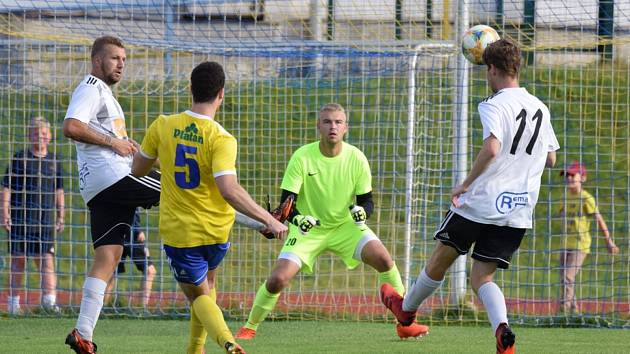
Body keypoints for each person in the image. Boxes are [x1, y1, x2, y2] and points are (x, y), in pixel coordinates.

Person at [380, 39, 560, 354]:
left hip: (481, 202)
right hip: (517, 209)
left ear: (491, 69)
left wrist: (465, 183)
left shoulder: (492, 104)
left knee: (441, 257)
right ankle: (502, 331)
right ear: (517, 67)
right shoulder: (540, 108)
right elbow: (550, 158)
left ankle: (406, 309)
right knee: (482, 277)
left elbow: (492, 147)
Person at [235, 103, 430, 341]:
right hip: (308, 230)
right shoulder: (302, 156)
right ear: (319, 126)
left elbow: (367, 202)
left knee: (384, 259)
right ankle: (249, 327)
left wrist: (362, 213)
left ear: (346, 127)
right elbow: (286, 204)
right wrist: (298, 218)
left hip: (345, 227)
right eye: (327, 122)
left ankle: (405, 323)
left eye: (338, 122)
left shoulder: (357, 158)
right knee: (278, 279)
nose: (332, 127)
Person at [131, 61, 288, 354]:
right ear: (221, 94)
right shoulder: (222, 138)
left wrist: (154, 154)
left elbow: (138, 169)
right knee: (208, 284)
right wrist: (269, 219)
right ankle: (195, 349)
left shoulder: (163, 125)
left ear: (190, 89)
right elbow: (228, 189)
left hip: (182, 233)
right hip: (217, 233)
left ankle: (227, 342)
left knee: (197, 297)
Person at [63, 36, 161, 354]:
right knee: (184, 189)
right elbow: (72, 126)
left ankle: (82, 332)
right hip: (112, 177)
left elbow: (102, 133)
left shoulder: (106, 95)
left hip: (97, 187)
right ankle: (260, 222)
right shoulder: (91, 86)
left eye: (124, 59)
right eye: (115, 58)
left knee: (108, 257)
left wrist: (125, 143)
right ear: (97, 61)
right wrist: (114, 144)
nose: (121, 64)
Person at [2, 117, 65, 315]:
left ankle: (49, 303)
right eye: (37, 134)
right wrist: (5, 212)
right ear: (30, 136)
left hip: (45, 220)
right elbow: (6, 188)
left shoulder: (54, 161)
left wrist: (61, 215)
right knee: (18, 260)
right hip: (21, 219)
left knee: (46, 259)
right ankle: (13, 304)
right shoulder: (19, 159)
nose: (41, 137)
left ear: (50, 137)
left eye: (45, 134)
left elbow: (59, 191)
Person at [558, 161, 619, 314]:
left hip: (581, 244)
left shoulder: (586, 198)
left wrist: (609, 241)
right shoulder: (564, 197)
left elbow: (599, 219)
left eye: (573, 175)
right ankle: (575, 311)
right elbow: (560, 215)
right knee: (565, 278)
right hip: (566, 243)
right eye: (567, 175)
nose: (569, 178)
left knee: (568, 276)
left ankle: (563, 311)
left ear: (583, 178)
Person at [104, 209, 156, 308]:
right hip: (131, 234)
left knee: (110, 273)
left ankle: (102, 308)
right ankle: (142, 308)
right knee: (150, 271)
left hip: (115, 233)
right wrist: (137, 230)